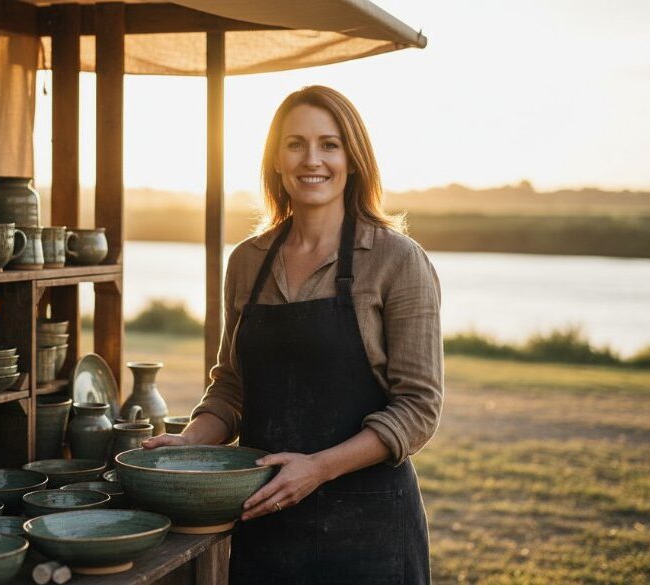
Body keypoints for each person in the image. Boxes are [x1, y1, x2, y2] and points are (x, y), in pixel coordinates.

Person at [143, 85, 443, 584]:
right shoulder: (248, 261)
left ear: (353, 159)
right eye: (295, 144)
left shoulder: (397, 260)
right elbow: (231, 387)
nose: (312, 160)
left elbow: (418, 408)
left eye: (330, 144)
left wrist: (319, 468)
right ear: (276, 161)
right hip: (267, 519)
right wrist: (189, 443)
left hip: (369, 527)